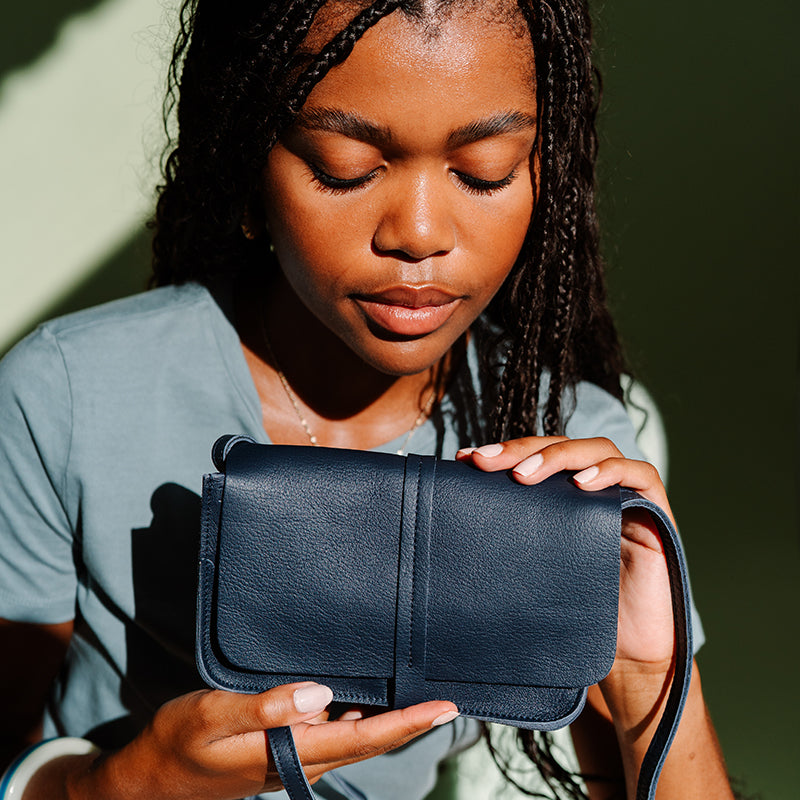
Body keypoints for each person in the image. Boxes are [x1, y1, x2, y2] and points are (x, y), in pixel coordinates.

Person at [0, 1, 735, 798]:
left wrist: (646, 675)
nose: (419, 233)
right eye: (344, 166)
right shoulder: (70, 395)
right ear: (248, 160)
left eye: (483, 169)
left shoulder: (568, 445)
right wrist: (130, 784)